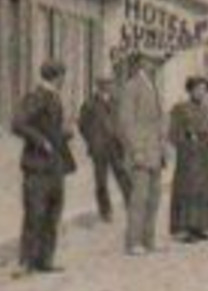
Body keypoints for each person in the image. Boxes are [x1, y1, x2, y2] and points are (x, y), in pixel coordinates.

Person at [12, 60, 77, 275]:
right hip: (38, 165)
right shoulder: (38, 96)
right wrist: (42, 142)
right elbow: (19, 123)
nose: (64, 81)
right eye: (62, 76)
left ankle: (44, 260)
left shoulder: (54, 97)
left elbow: (49, 127)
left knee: (52, 213)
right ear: (56, 76)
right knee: (35, 214)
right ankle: (27, 261)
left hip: (54, 166)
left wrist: (63, 134)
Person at [117, 51, 167, 256]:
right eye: (149, 60)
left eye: (154, 60)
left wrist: (162, 146)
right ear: (140, 62)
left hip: (154, 150)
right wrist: (135, 149)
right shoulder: (132, 87)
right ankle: (133, 241)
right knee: (139, 197)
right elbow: (126, 122)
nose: (153, 63)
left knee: (154, 198)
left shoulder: (153, 85)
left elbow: (158, 119)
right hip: (141, 151)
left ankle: (149, 239)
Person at [169, 76, 208, 242]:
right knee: (189, 190)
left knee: (205, 190)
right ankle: (187, 229)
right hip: (188, 156)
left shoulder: (207, 110)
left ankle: (201, 226)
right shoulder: (180, 109)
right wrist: (185, 139)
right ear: (190, 90)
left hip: (204, 155)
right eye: (198, 89)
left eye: (204, 89)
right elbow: (172, 133)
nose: (201, 92)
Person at [79, 76, 130, 223]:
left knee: (122, 174)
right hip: (99, 147)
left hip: (115, 145)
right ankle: (105, 211)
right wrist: (92, 139)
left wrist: (122, 138)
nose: (108, 87)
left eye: (110, 84)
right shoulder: (89, 104)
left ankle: (131, 204)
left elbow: (123, 121)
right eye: (105, 85)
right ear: (98, 87)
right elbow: (82, 125)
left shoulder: (117, 102)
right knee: (101, 180)